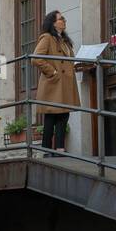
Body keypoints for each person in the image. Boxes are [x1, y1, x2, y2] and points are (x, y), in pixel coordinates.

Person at [33, 11, 82, 151]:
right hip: (53, 84)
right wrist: (52, 72)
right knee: (51, 117)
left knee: (63, 115)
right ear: (53, 23)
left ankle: (60, 148)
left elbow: (68, 61)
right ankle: (46, 149)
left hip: (65, 83)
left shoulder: (64, 40)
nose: (64, 21)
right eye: (61, 19)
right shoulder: (47, 38)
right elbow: (36, 58)